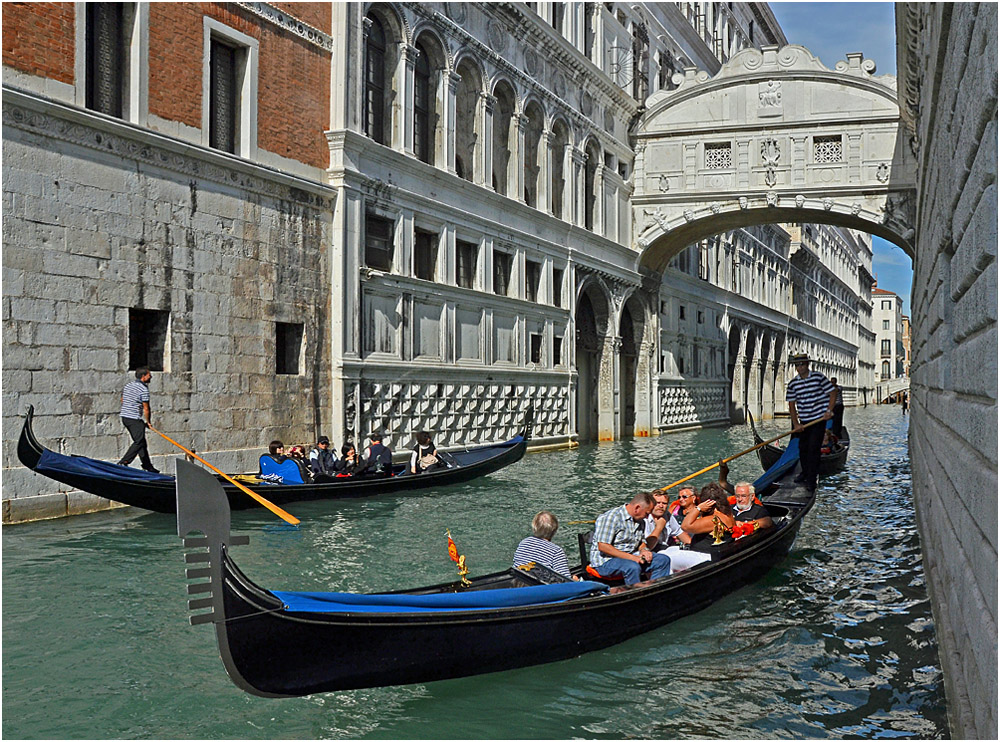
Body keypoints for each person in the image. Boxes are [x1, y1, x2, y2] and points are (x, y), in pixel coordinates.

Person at [589, 492, 671, 585]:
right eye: (647, 513)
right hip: (606, 561)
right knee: (633, 567)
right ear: (637, 508)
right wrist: (632, 558)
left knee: (662, 560)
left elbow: (641, 542)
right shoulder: (611, 517)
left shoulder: (640, 521)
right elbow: (603, 546)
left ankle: (655, 588)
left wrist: (644, 550)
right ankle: (637, 594)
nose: (647, 517)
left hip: (632, 556)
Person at [785, 352, 837, 492]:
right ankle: (805, 472)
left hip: (818, 420)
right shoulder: (793, 384)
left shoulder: (818, 377)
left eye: (802, 364)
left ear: (807, 364)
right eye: (797, 365)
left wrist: (829, 410)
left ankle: (811, 480)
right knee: (803, 448)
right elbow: (791, 405)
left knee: (813, 449)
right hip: (804, 421)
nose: (800, 367)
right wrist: (796, 424)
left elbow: (833, 392)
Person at [646, 490, 711, 573]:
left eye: (664, 503)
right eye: (657, 503)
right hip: (652, 553)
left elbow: (679, 532)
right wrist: (659, 527)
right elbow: (648, 546)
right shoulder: (645, 518)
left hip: (667, 549)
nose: (661, 506)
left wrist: (694, 547)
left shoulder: (667, 515)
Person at [512, 510, 580, 581]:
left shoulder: (524, 543)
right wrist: (575, 580)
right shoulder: (556, 551)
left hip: (518, 582)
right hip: (540, 588)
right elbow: (564, 581)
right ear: (554, 531)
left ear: (534, 528)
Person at [117, 367, 159, 473]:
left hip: (125, 417)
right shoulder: (143, 389)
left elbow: (122, 399)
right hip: (134, 418)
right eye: (149, 375)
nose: (151, 377)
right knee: (139, 441)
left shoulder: (128, 385)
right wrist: (148, 422)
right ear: (143, 376)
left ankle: (147, 466)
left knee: (142, 442)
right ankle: (124, 462)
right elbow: (146, 408)